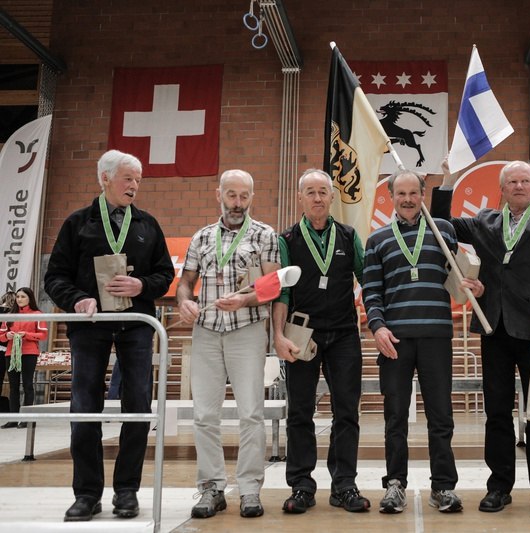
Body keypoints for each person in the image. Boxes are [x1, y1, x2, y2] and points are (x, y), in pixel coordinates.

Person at [432, 160, 530, 514]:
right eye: (512, 181)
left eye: (525, 181)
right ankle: (499, 486)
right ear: (502, 188)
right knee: (496, 413)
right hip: (494, 328)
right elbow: (440, 223)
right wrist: (448, 181)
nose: (519, 186)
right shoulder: (485, 222)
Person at [44, 149, 175, 522]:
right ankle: (86, 494)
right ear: (105, 178)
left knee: (138, 405)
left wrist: (141, 285)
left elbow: (165, 274)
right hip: (90, 325)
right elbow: (54, 277)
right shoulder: (77, 223)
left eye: (138, 180)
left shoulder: (147, 225)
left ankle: (127, 491)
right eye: (128, 178)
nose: (134, 186)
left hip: (136, 323)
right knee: (84, 406)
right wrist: (78, 299)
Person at [363, 169, 483, 515]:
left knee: (441, 416)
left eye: (413, 192)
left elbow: (459, 277)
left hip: (436, 336)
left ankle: (443, 486)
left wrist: (474, 286)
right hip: (395, 339)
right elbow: (372, 291)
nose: (407, 199)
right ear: (390, 197)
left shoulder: (443, 231)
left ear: (422, 195)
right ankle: (395, 484)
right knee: (395, 417)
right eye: (400, 193)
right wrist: (378, 327)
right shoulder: (377, 239)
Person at [177, 169, 280, 520]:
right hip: (206, 331)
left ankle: (249, 489)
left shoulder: (264, 234)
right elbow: (185, 282)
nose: (237, 203)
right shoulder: (201, 237)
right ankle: (211, 488)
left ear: (252, 197)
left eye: (244, 196)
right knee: (205, 415)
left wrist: (245, 300)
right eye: (231, 195)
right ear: (218, 194)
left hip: (246, 330)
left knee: (251, 413)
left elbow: (273, 286)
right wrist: (185, 302)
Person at [271, 168, 370, 514]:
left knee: (347, 411)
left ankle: (344, 485)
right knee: (300, 411)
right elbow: (282, 293)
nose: (317, 198)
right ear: (300, 197)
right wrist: (278, 336)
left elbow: (367, 277)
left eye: (322, 192)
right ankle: (301, 485)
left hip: (344, 334)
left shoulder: (348, 235)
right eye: (310, 192)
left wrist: (377, 316)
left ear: (332, 197)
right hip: (302, 334)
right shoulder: (286, 240)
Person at [1, 287, 47, 429]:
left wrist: (26, 334)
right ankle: (13, 419)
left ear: (29, 298)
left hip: (29, 353)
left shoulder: (37, 314)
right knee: (13, 387)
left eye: (23, 297)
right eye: (18, 297)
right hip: (11, 353)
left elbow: (43, 335)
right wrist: (6, 336)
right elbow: (1, 336)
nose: (19, 299)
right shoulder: (10, 315)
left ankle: (27, 419)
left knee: (27, 385)